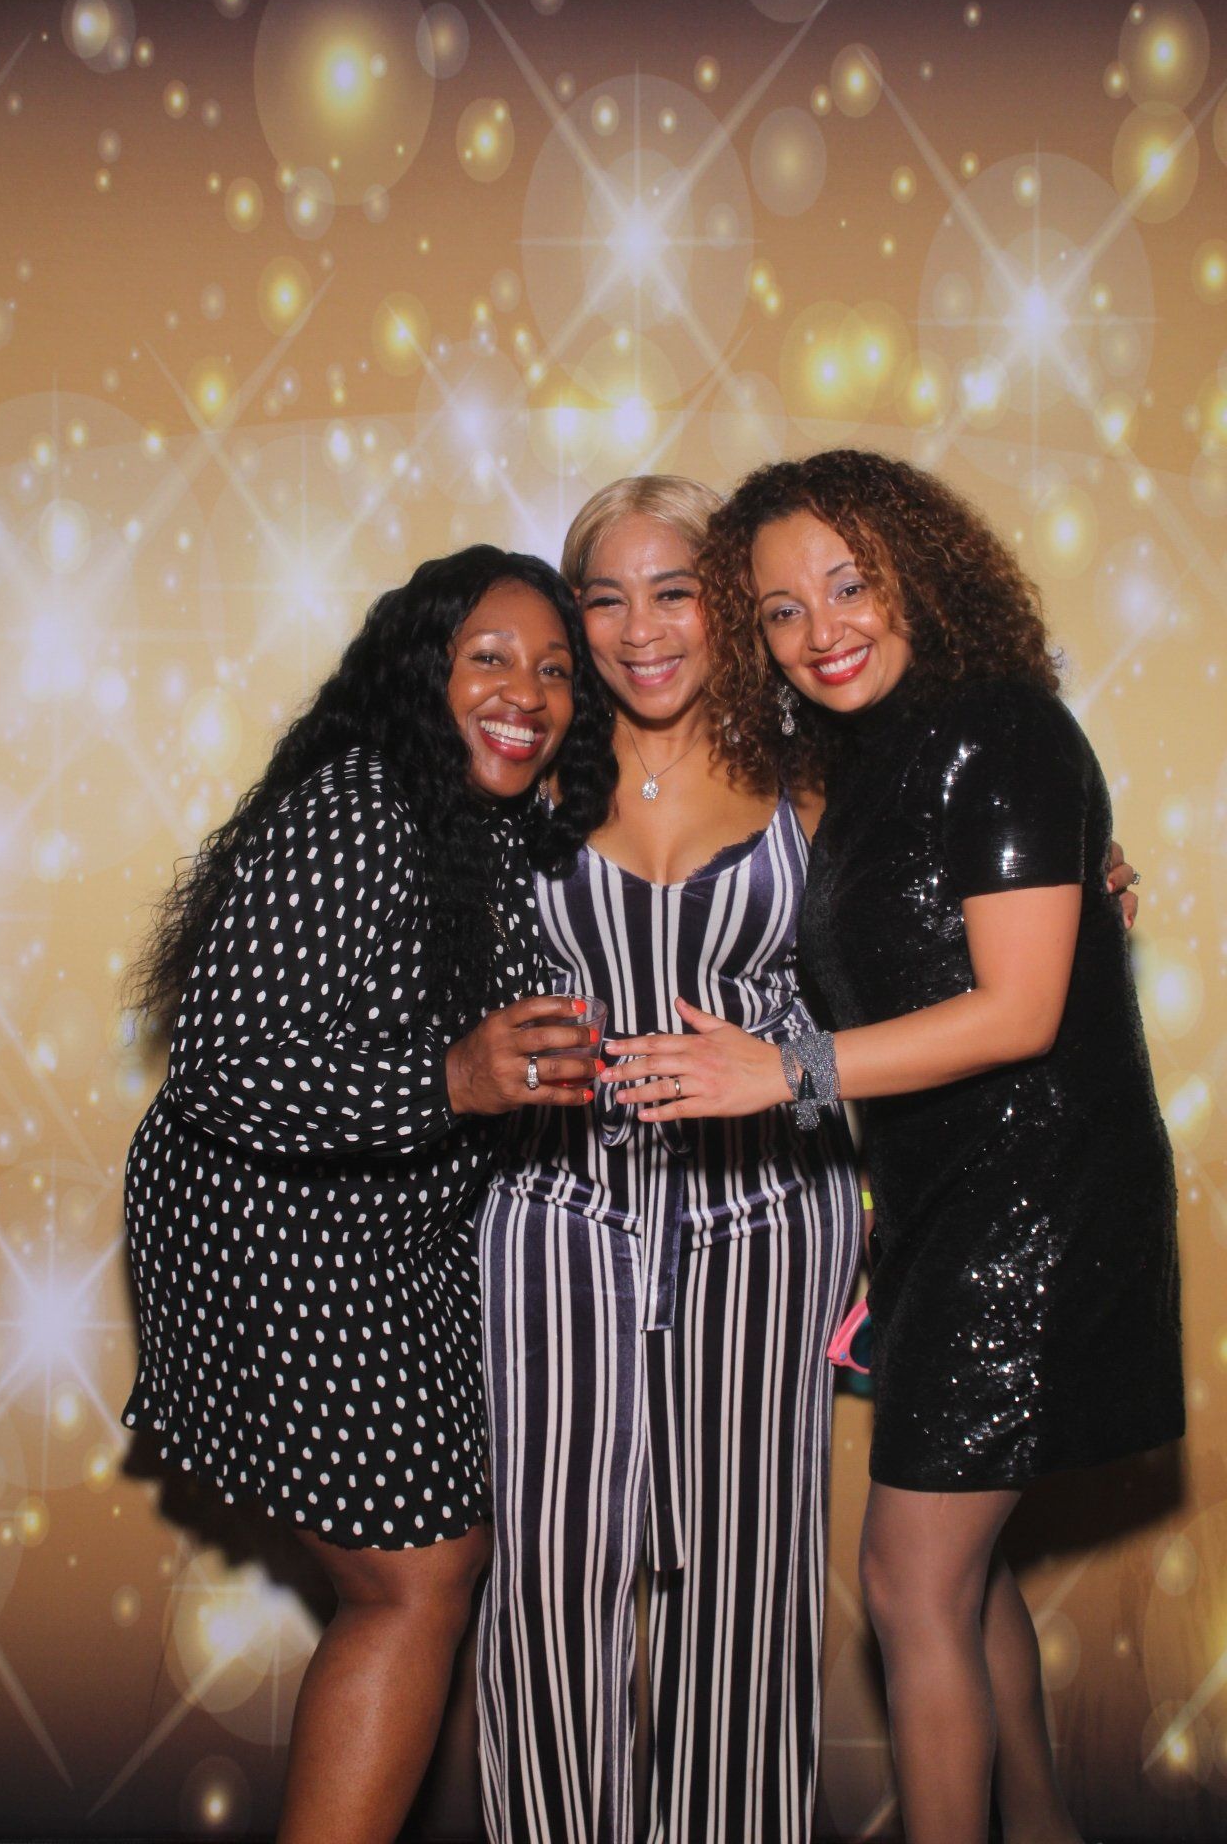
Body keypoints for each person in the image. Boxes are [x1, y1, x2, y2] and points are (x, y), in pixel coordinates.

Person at [603, 451, 1181, 1844]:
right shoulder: (854, 768)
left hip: (1035, 1203)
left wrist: (785, 1071)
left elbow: (1020, 1012)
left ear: (921, 572)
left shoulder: (1002, 727)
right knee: (962, 1580)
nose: (822, 629)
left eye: (849, 584)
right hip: (936, 1208)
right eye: (781, 610)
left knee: (910, 1582)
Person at [122, 547, 616, 1844]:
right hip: (274, 1227)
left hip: (393, 1232)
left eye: (555, 671)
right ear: (420, 671)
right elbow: (224, 1071)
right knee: (418, 1579)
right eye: (489, 659)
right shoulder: (358, 808)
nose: (527, 693)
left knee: (440, 1565)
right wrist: (451, 1080)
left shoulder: (482, 820)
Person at [475, 477, 864, 1844]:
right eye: (605, 598)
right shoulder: (523, 766)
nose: (640, 630)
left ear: (726, 602)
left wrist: (1082, 864)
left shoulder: (813, 766)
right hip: (556, 1217)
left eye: (675, 591)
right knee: (549, 1582)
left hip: (767, 1218)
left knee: (749, 1589)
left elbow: (959, 895)